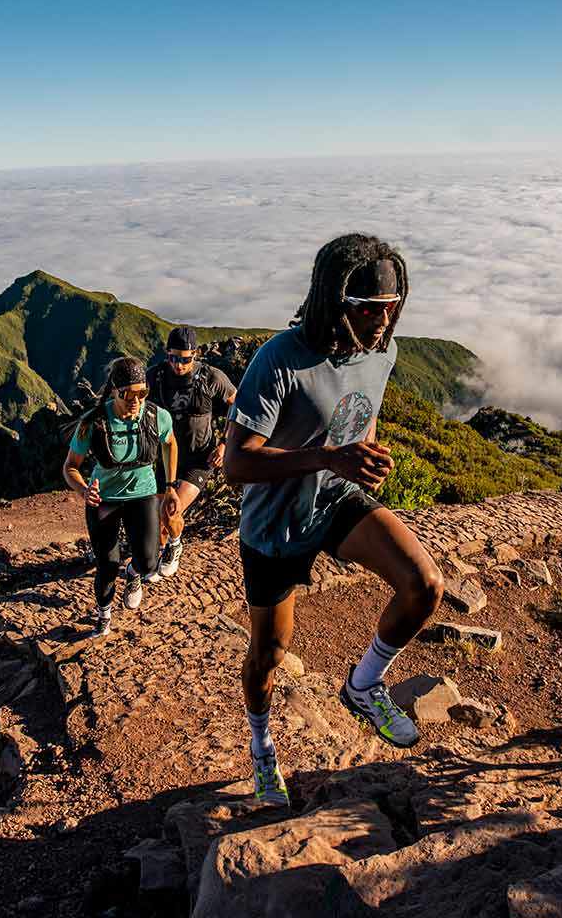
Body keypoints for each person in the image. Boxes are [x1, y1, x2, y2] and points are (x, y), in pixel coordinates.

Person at [222, 234, 444, 806]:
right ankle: (262, 748)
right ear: (334, 302)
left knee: (424, 586)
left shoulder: (383, 352)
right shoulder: (281, 359)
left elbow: (359, 421)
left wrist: (365, 456)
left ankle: (364, 686)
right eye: (370, 307)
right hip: (276, 524)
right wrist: (325, 456)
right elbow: (235, 463)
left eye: (392, 305)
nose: (382, 318)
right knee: (269, 654)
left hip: (339, 500)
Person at [62, 357, 180, 636]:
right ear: (114, 390)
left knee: (150, 562)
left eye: (142, 393)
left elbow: (170, 443)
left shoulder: (156, 417)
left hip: (143, 495)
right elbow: (70, 467)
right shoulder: (92, 423)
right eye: (128, 393)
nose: (136, 400)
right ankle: (103, 614)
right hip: (103, 501)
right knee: (107, 565)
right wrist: (83, 490)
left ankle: (134, 574)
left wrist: (171, 485)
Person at [145, 326, 237, 582]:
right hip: (167, 457)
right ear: (167, 354)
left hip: (200, 460)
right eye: (174, 358)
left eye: (185, 359)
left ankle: (174, 546)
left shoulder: (211, 378)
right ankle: (158, 556)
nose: (179, 364)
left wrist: (224, 443)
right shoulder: (156, 377)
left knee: (171, 510)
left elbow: (237, 404)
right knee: (157, 516)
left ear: (195, 355)